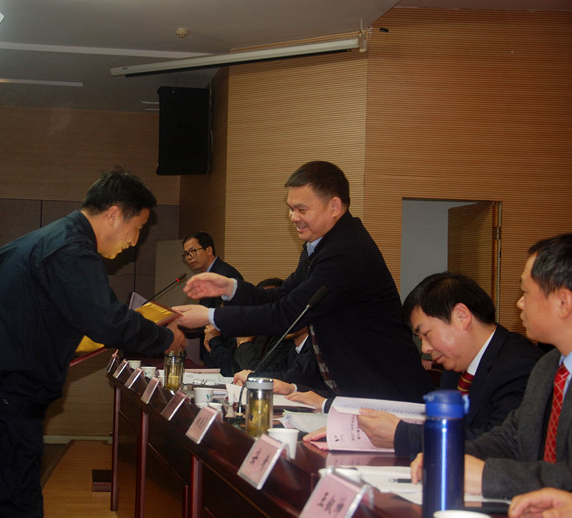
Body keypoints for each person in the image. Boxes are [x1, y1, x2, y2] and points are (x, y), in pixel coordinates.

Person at [0, 168, 187, 518]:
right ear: (114, 214)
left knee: (3, 503)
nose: (135, 241)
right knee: (15, 513)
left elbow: (34, 316)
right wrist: (166, 339)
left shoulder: (33, 242)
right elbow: (107, 321)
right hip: (6, 396)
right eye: (137, 228)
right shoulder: (72, 250)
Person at [174, 160, 435, 406]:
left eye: (301, 209)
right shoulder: (321, 246)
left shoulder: (345, 251)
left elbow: (287, 314)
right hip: (361, 392)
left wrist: (210, 316)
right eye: (290, 208)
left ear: (334, 206)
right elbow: (283, 296)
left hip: (388, 392)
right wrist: (230, 288)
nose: (293, 217)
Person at [410, 233, 572, 499]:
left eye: (526, 293)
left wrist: (488, 476)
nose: (519, 303)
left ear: (563, 303)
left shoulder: (525, 362)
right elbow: (512, 438)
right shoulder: (548, 367)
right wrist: (447, 455)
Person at [353, 272, 542, 458]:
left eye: (426, 334)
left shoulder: (520, 366)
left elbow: (497, 447)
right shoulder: (453, 371)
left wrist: (403, 435)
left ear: (461, 316)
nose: (425, 348)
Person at [202, 277, 284, 376]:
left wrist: (244, 343)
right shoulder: (250, 327)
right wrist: (214, 346)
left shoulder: (283, 337)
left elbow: (258, 374)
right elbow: (231, 368)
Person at [181, 231, 243, 308]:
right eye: (186, 254)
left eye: (193, 251)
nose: (189, 257)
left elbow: (229, 311)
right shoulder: (207, 275)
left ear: (209, 250)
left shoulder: (225, 274)